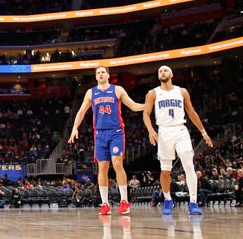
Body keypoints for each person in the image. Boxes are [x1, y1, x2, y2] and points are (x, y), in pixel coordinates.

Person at [69, 67, 144, 215]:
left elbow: (133, 106)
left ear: (108, 75)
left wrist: (147, 105)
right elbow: (81, 111)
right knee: (102, 168)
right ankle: (105, 204)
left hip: (116, 132)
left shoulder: (118, 90)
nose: (100, 74)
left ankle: (124, 201)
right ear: (96, 77)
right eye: (98, 73)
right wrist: (74, 128)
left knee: (117, 163)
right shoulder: (91, 93)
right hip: (100, 134)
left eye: (103, 72)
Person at [143, 65, 213, 216]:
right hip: (163, 131)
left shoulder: (182, 91)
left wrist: (203, 132)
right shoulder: (153, 93)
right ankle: (168, 199)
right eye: (160, 71)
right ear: (158, 76)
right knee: (165, 171)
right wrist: (151, 131)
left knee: (189, 165)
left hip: (181, 129)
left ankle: (193, 202)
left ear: (172, 74)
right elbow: (146, 114)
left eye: (165, 70)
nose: (162, 72)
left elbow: (192, 112)